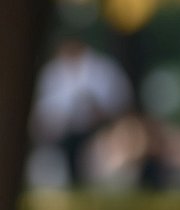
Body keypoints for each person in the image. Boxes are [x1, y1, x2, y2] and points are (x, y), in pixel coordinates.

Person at [31, 38, 132, 186]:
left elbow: (120, 103)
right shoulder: (51, 72)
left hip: (98, 130)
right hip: (59, 134)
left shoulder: (103, 69)